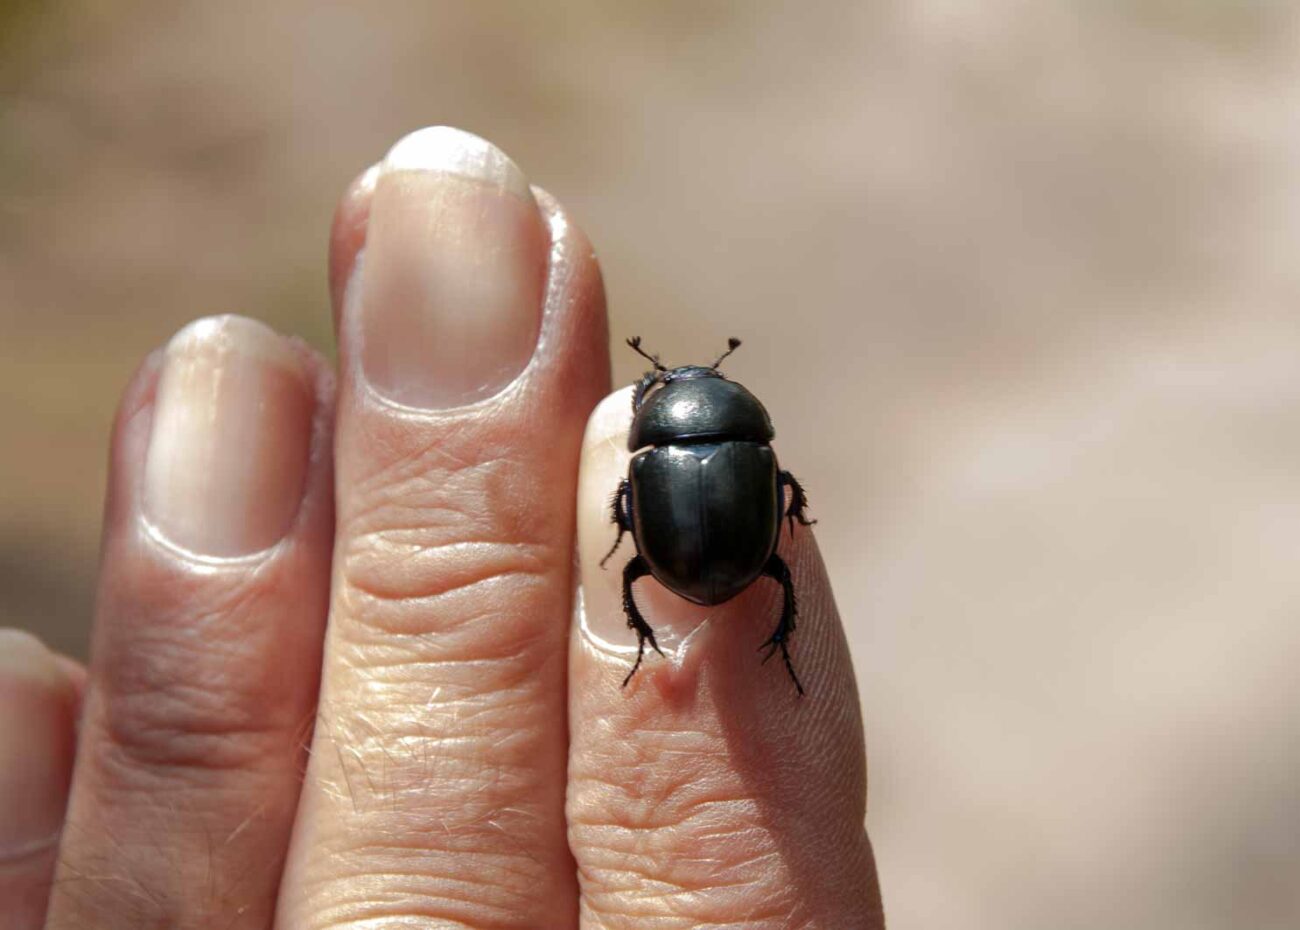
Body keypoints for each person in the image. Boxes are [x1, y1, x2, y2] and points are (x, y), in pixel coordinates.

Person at [2, 126, 884, 929]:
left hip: (679, 559)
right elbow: (781, 495)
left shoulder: (651, 455)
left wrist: (632, 539)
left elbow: (665, 504)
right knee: (734, 571)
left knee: (635, 563)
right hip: (727, 556)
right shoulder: (745, 451)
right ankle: (707, 638)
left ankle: (648, 627)